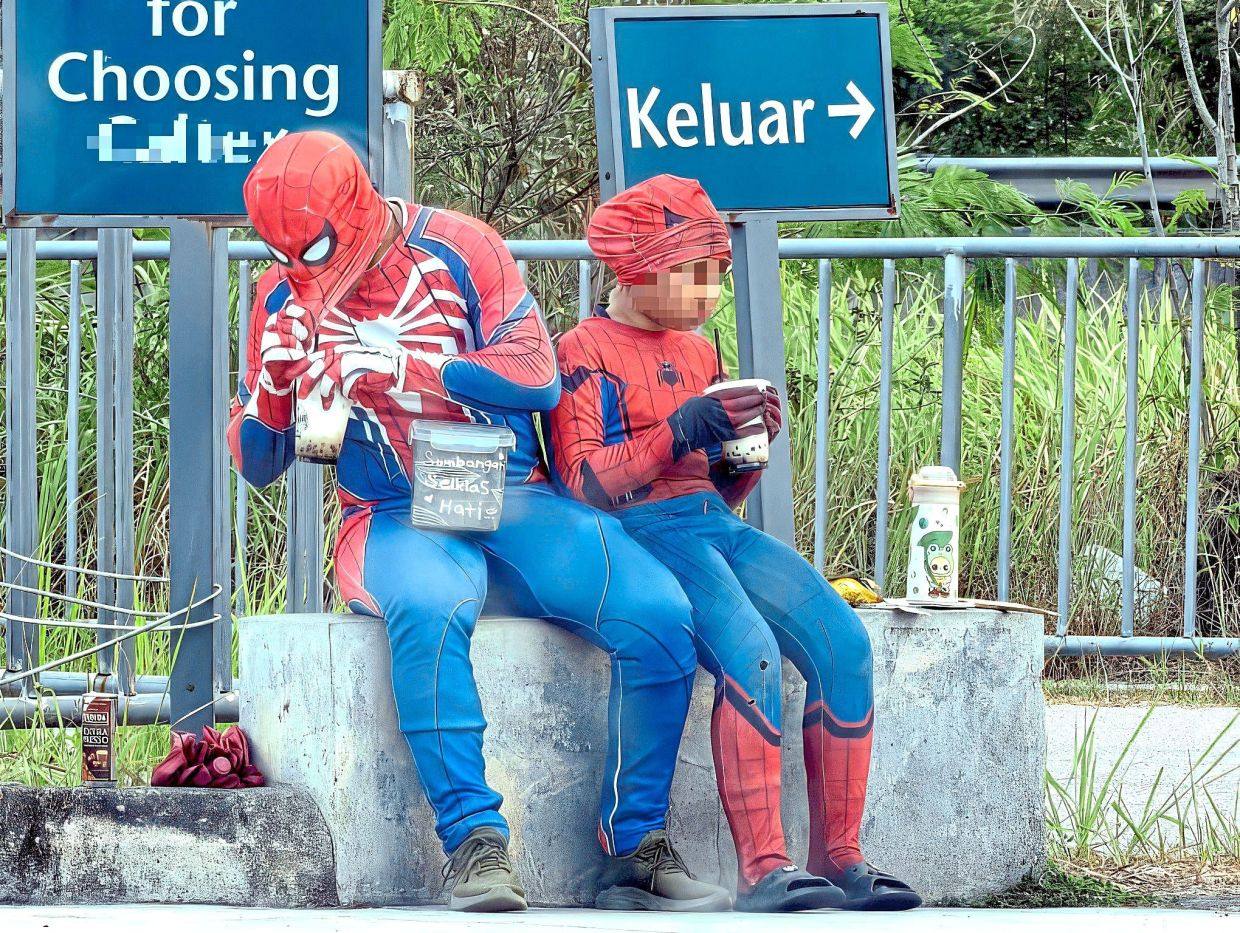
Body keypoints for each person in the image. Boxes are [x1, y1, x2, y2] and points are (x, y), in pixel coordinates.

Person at [228, 133, 730, 913]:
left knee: (659, 609)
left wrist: (403, 366)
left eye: (316, 246)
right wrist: (271, 387)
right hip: (392, 508)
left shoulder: (459, 244)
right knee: (429, 607)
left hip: (508, 488)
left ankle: (633, 846)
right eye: (284, 252)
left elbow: (537, 376)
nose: (305, 269)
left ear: (356, 208)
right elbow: (259, 462)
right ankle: (474, 841)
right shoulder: (278, 293)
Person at [548, 174, 922, 912]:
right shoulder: (581, 348)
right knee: (747, 647)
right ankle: (764, 866)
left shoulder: (699, 351)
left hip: (713, 525)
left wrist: (741, 454)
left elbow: (716, 492)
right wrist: (679, 431)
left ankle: (841, 854)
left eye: (715, 276)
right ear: (637, 266)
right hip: (641, 532)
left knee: (842, 640)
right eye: (694, 275)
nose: (709, 294)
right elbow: (584, 479)